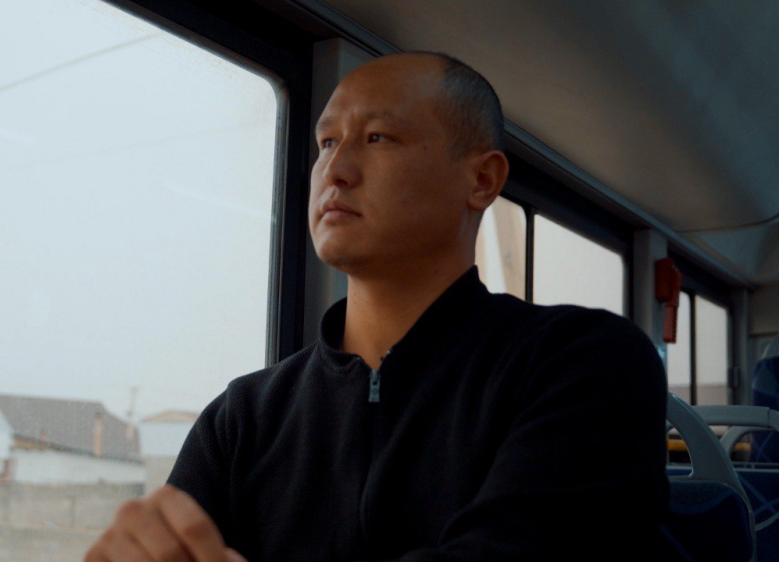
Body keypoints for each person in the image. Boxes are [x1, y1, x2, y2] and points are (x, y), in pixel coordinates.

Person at [85, 52, 668, 561]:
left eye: (378, 137)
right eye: (327, 143)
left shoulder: (584, 362)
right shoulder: (245, 417)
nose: (335, 171)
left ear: (482, 180)